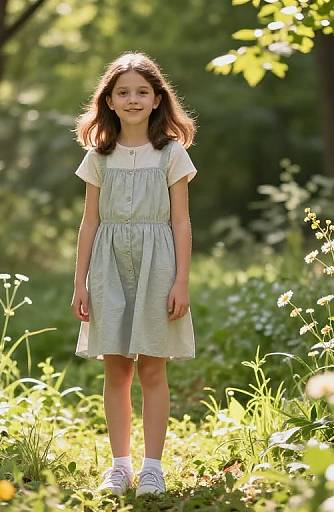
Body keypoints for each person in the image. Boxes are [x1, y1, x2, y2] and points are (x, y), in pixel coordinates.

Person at [70, 51, 198, 498]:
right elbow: (89, 222)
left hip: (158, 266)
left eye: (142, 91)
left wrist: (181, 280)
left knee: (153, 369)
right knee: (117, 369)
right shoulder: (99, 156)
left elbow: (181, 222)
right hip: (108, 267)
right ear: (108, 99)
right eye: (122, 92)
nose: (132, 99)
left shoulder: (171, 154)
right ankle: (119, 466)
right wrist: (79, 281)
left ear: (158, 98)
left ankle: (153, 469)